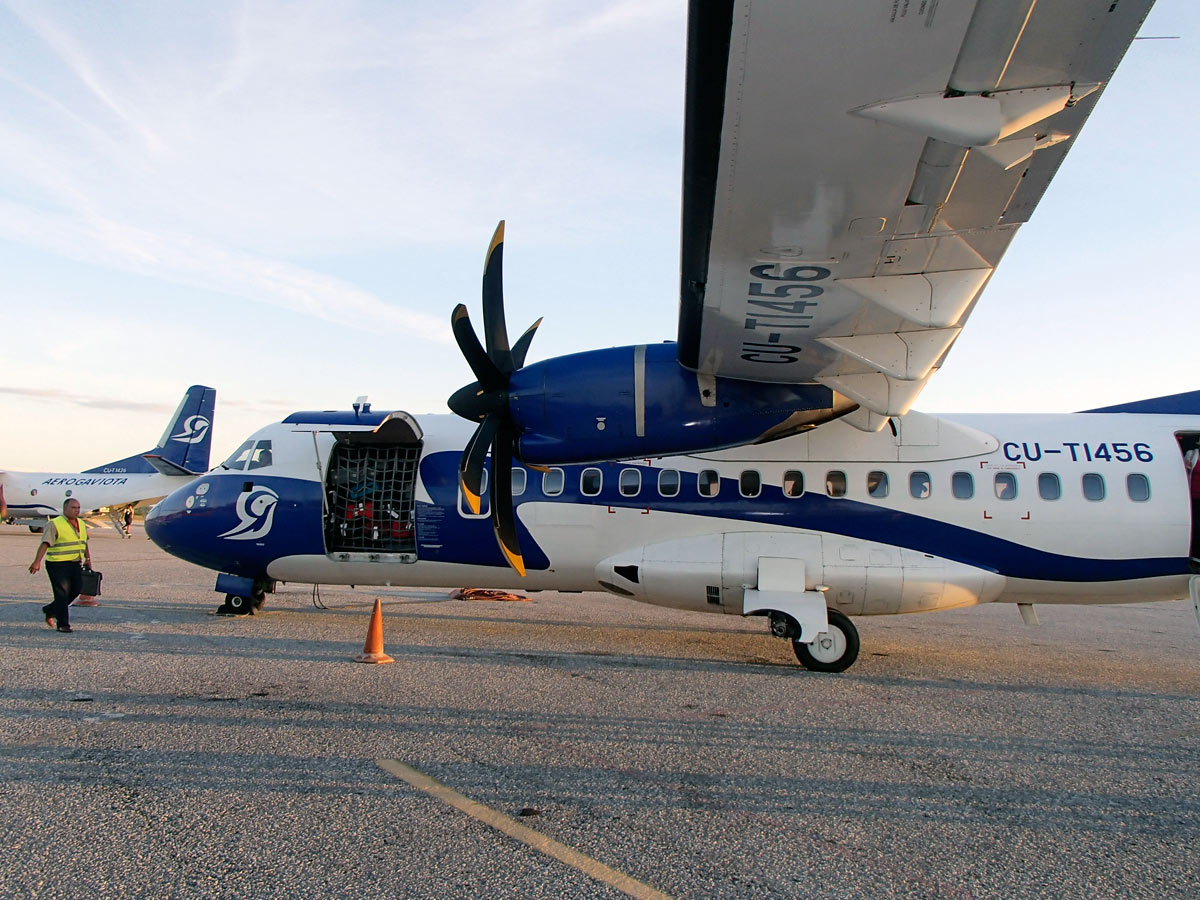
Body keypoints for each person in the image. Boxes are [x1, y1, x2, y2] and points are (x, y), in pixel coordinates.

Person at [28, 498, 92, 633]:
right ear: (65, 509)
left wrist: (88, 558)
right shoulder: (55, 524)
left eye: (78, 508)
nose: (77, 510)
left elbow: (84, 542)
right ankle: (63, 624)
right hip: (57, 564)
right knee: (61, 593)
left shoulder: (81, 523)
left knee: (76, 590)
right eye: (73, 508)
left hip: (75, 563)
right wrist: (37, 561)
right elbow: (45, 543)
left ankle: (50, 610)